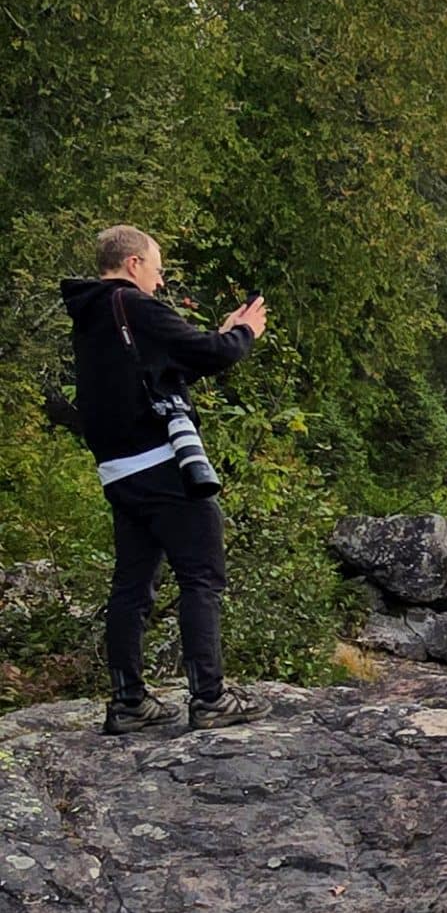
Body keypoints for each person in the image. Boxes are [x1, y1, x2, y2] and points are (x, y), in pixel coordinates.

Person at [62, 226, 268, 735]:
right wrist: (240, 334)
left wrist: (216, 340)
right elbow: (211, 355)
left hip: (119, 472)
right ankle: (210, 697)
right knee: (202, 576)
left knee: (131, 585)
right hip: (162, 465)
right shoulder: (133, 305)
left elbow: (153, 374)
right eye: (156, 267)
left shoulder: (90, 315)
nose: (160, 278)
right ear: (133, 264)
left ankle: (129, 701)